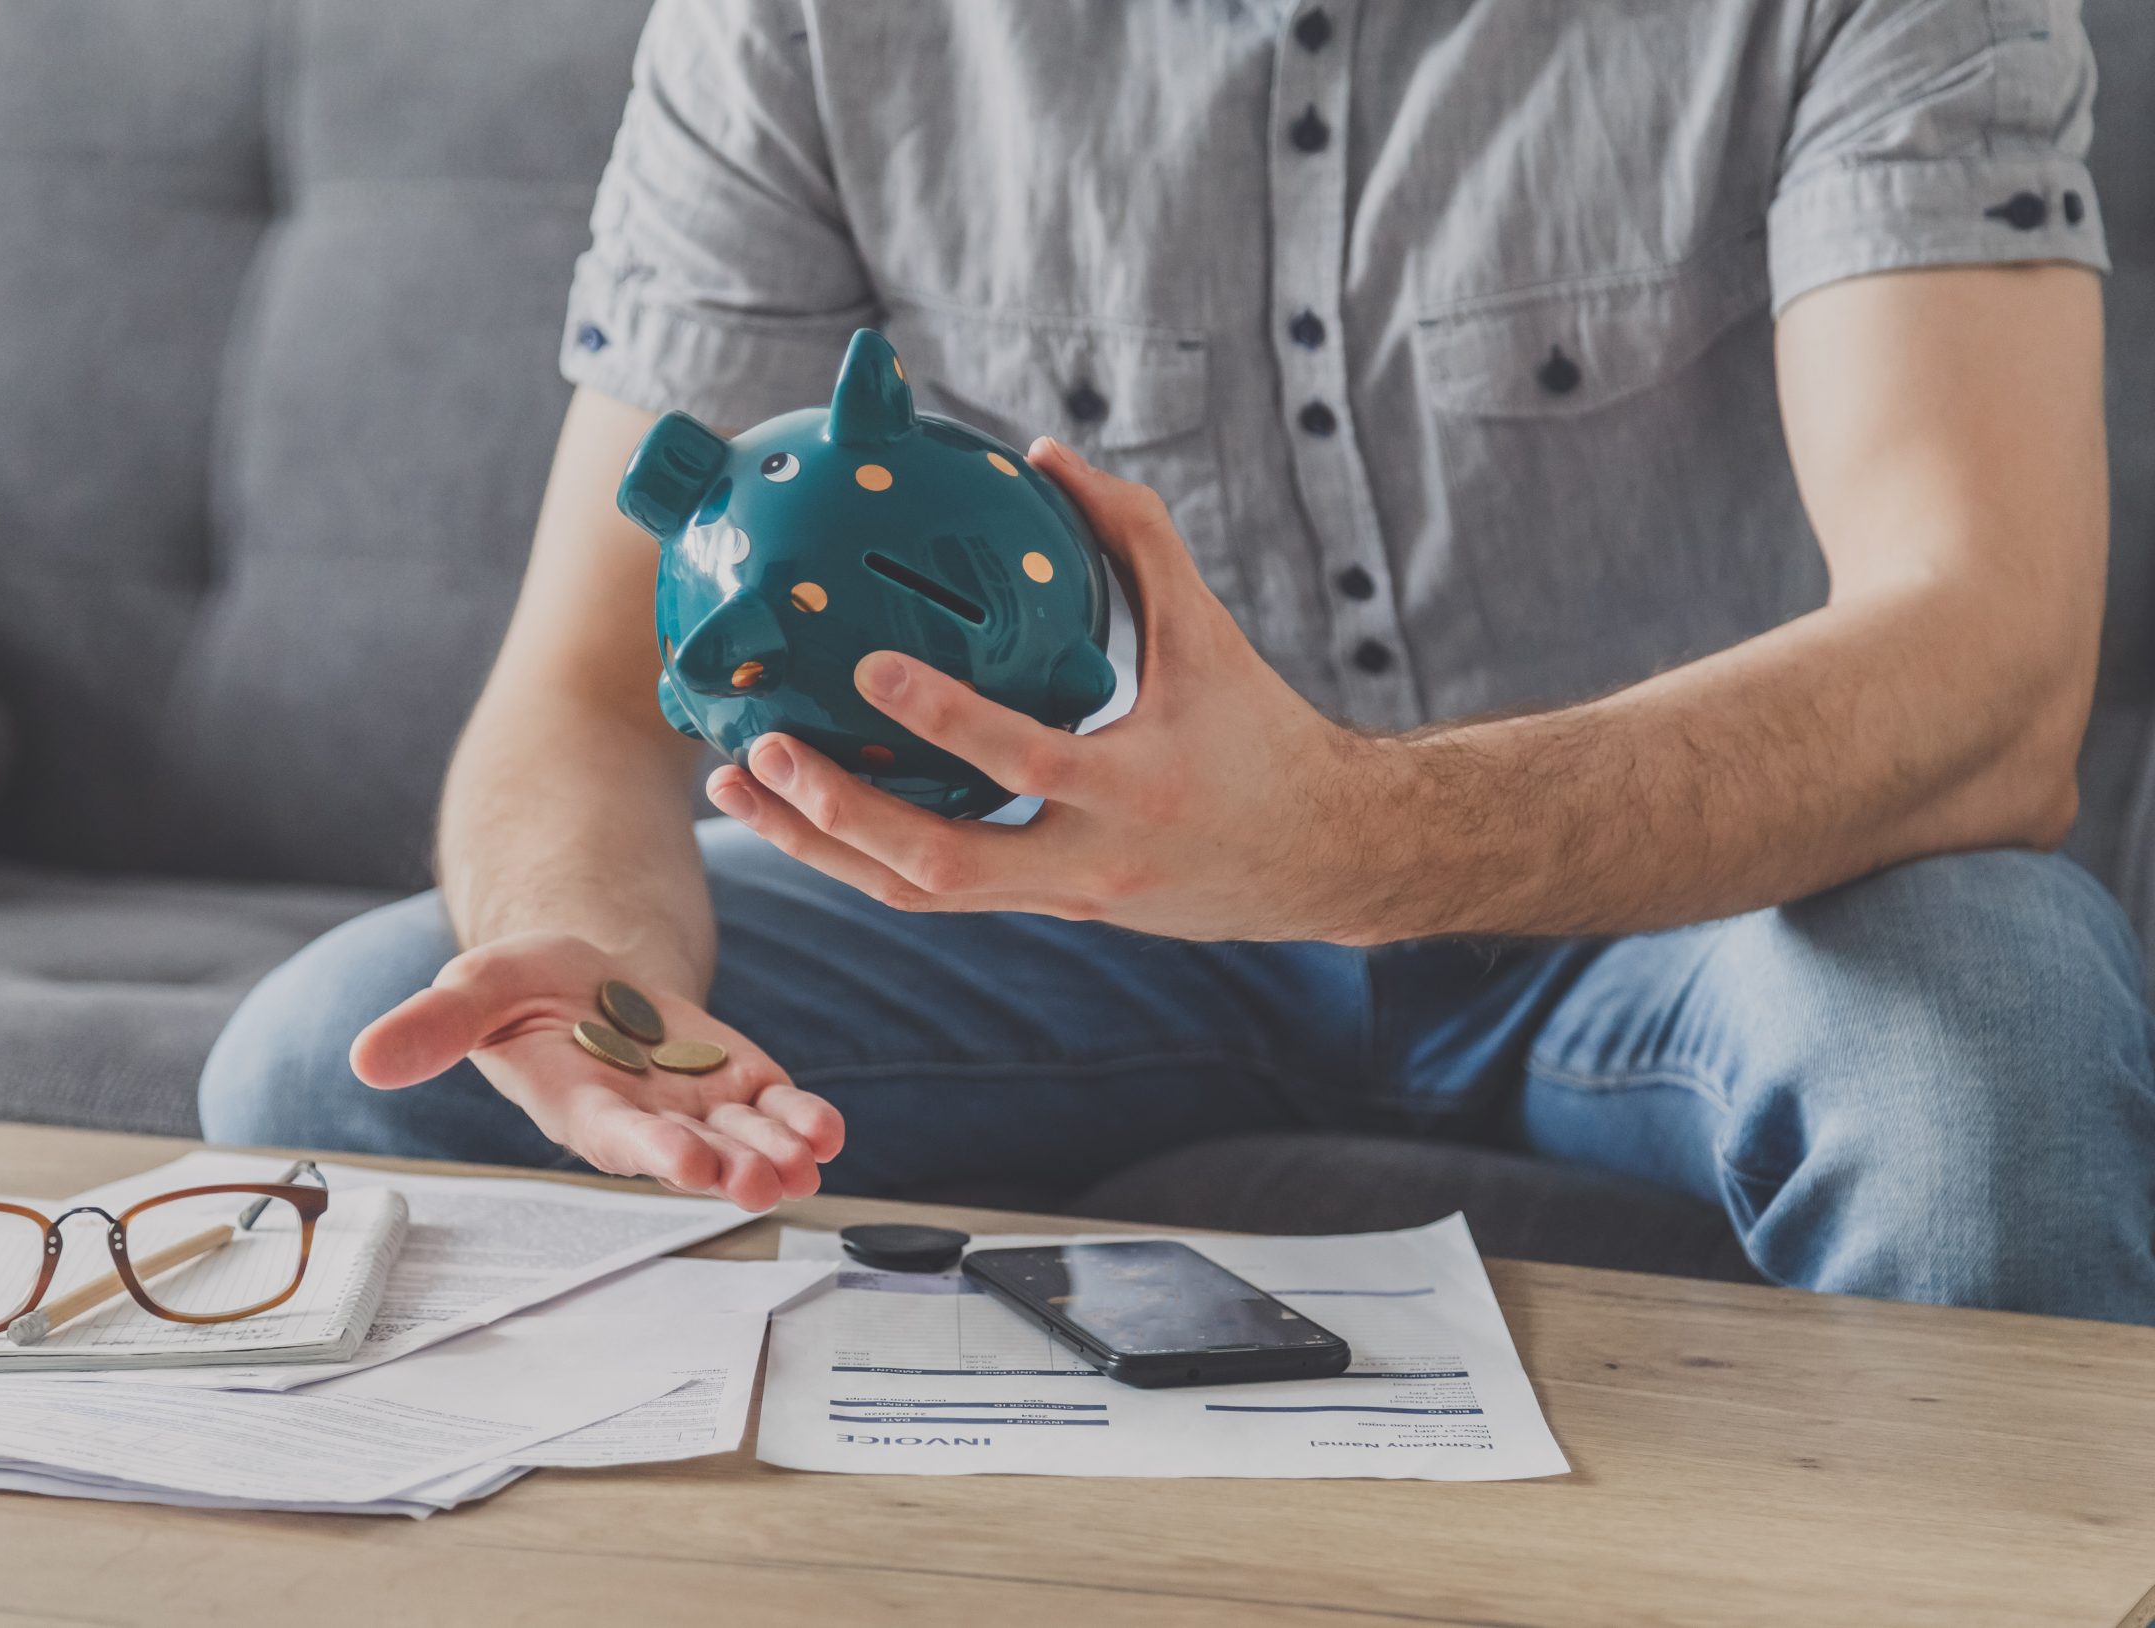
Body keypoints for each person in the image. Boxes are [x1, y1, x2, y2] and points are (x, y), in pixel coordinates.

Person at [199, 0, 2155, 1324]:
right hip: (1063, 902)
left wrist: (1341, 837)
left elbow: (1979, 666)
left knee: (1979, 1085)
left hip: (1717, 905)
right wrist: (606, 978)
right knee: (348, 1056)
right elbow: (594, 689)